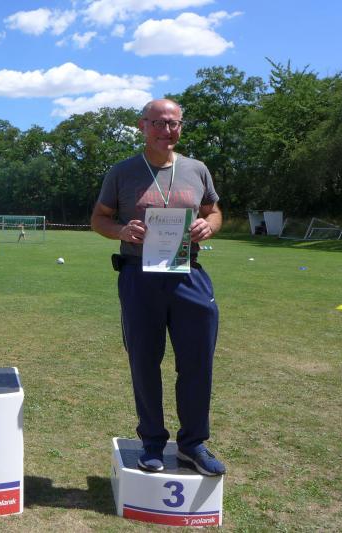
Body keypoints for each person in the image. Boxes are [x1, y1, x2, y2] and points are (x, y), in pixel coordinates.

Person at [91, 98, 226, 476]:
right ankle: (151, 442)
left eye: (174, 123)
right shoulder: (122, 172)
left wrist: (209, 225)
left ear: (180, 126)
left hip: (188, 274)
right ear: (142, 126)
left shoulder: (197, 169)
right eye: (158, 123)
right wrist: (121, 230)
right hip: (139, 275)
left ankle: (192, 444)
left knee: (197, 362)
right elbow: (99, 218)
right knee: (145, 361)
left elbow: (214, 211)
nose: (167, 130)